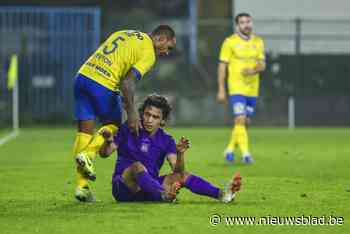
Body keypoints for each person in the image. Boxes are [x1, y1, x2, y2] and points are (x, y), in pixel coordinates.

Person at [73, 25, 176, 202]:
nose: (166, 52)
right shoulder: (149, 53)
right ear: (160, 39)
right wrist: (133, 112)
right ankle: (89, 154)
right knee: (113, 124)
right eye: (168, 47)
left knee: (84, 131)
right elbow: (127, 82)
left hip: (82, 77)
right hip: (103, 83)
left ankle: (82, 187)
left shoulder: (123, 33)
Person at [99, 94, 242, 203]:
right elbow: (104, 153)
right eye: (147, 114)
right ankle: (165, 195)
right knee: (137, 167)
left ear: (162, 121)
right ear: (142, 113)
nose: (149, 119)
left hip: (149, 188)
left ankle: (222, 194)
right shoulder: (129, 128)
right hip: (123, 187)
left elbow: (177, 170)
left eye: (155, 117)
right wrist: (108, 141)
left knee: (183, 175)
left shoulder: (167, 140)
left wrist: (180, 154)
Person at [217, 13, 266, 164]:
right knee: (240, 118)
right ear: (237, 25)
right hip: (236, 87)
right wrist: (221, 89)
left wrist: (253, 70)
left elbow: (262, 64)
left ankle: (230, 149)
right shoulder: (229, 42)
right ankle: (246, 155)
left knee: (245, 122)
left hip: (252, 88)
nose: (246, 25)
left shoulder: (258, 42)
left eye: (248, 21)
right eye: (242, 22)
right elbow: (222, 66)